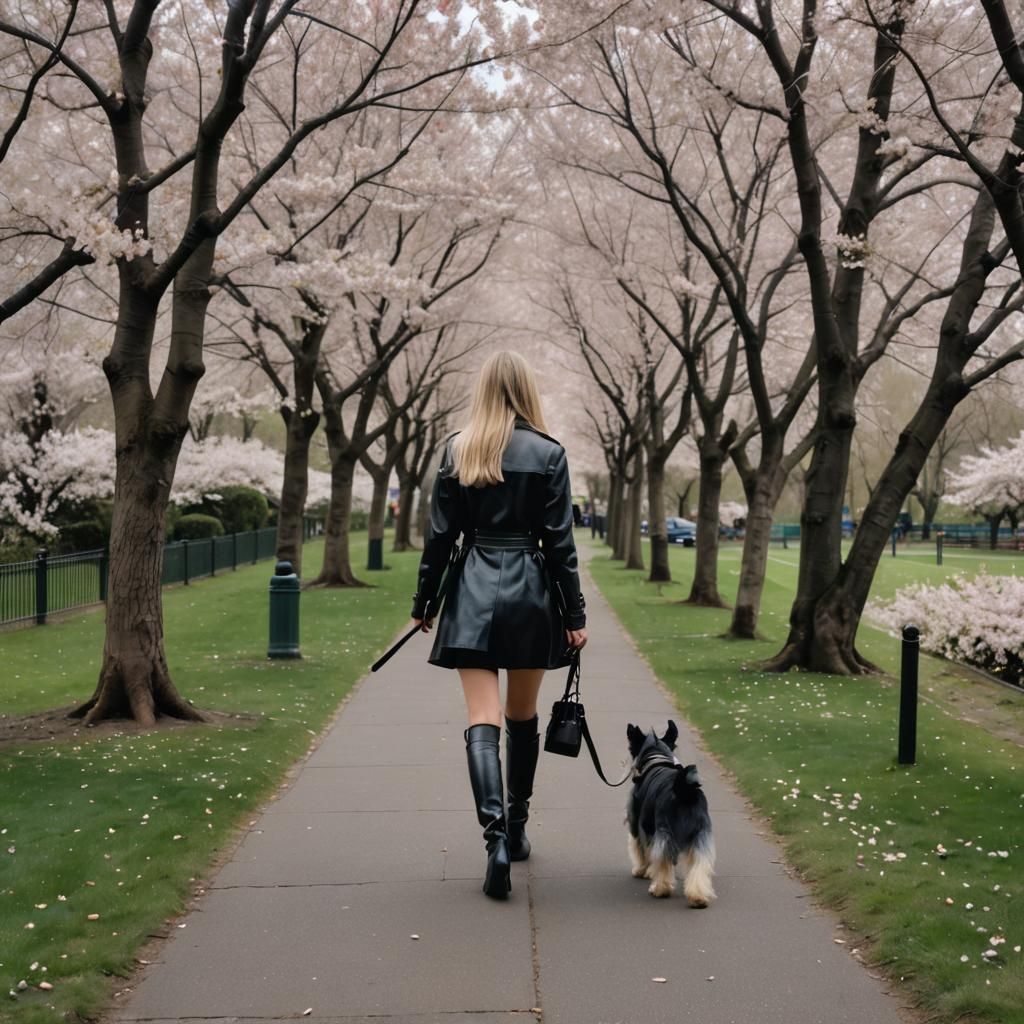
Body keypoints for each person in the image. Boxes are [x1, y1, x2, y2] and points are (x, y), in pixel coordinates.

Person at [409, 350, 588, 900]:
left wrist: (424, 602)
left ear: (483, 389)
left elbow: (439, 537)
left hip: (471, 590)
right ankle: (517, 823)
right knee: (522, 716)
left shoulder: (457, 450)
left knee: (481, 718)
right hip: (531, 596)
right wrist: (575, 615)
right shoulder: (549, 453)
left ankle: (495, 842)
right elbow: (560, 543)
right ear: (527, 390)